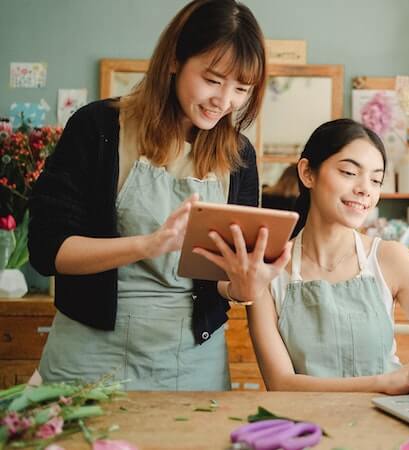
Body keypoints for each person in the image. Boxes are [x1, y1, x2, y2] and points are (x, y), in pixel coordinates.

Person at [28, 0, 290, 391]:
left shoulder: (238, 155)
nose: (225, 101)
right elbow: (48, 251)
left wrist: (245, 286)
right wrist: (149, 244)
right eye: (213, 80)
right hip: (88, 356)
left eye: (241, 88)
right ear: (173, 61)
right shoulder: (97, 128)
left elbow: (221, 281)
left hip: (191, 362)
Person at [246, 119, 409, 394]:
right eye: (349, 172)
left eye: (376, 179)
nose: (365, 189)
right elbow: (281, 383)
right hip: (305, 427)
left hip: (386, 426)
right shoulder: (266, 269)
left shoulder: (392, 259)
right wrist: (385, 382)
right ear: (308, 173)